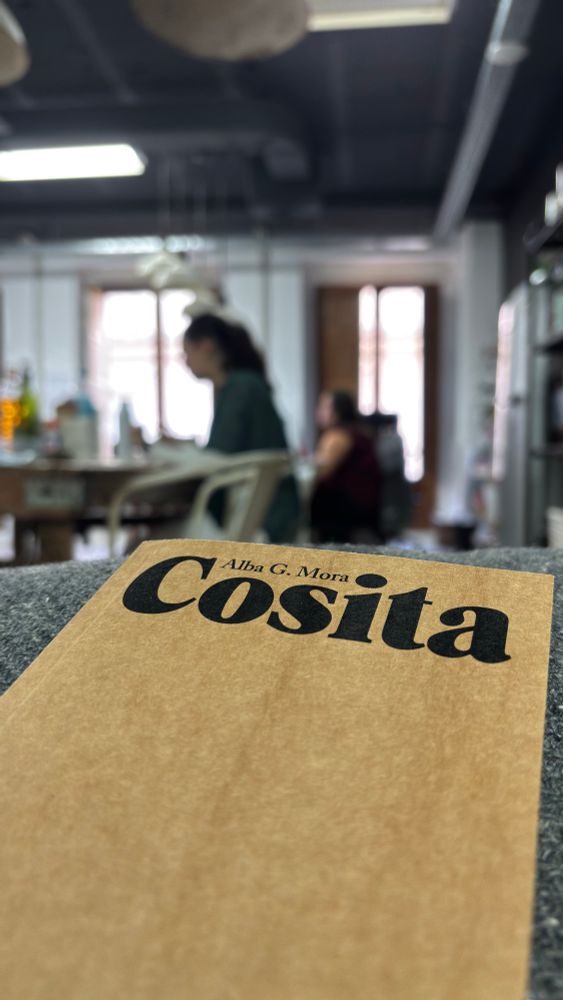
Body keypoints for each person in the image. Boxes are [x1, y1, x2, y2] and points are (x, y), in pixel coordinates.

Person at [181, 309, 300, 543]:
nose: (186, 361)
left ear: (206, 346)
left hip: (260, 518)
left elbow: (218, 456)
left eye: (187, 352)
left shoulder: (240, 388)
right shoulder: (244, 385)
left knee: (150, 540)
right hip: (270, 512)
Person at [310, 390, 380, 543]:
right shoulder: (359, 432)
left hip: (346, 510)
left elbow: (320, 472)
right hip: (366, 507)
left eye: (324, 407)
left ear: (337, 412)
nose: (319, 412)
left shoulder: (337, 436)